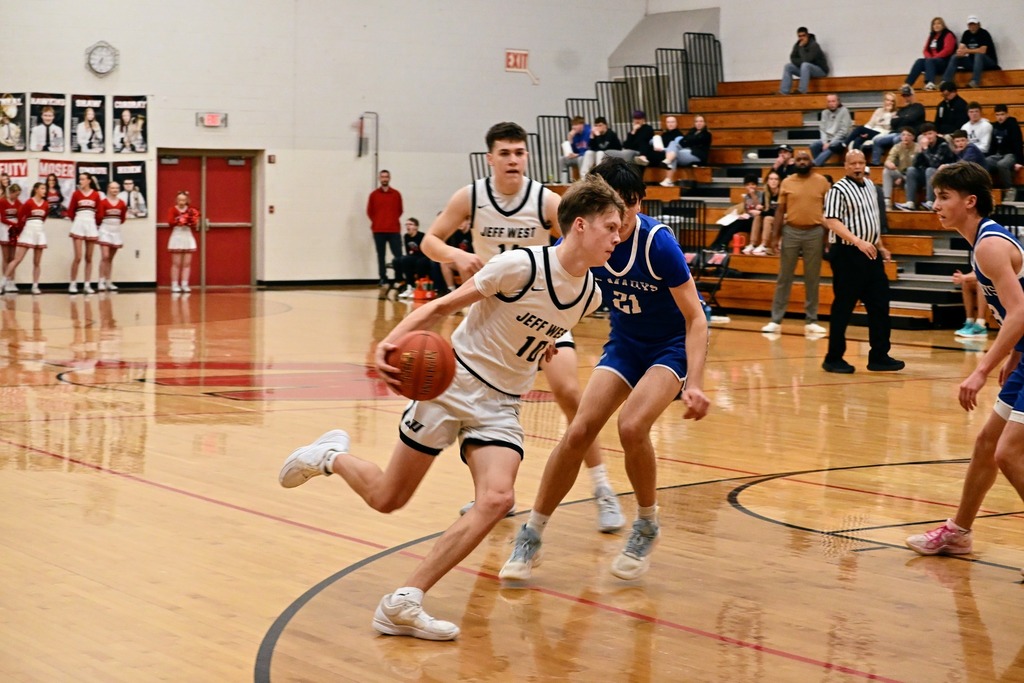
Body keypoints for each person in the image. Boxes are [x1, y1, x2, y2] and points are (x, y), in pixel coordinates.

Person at [277, 175, 624, 641]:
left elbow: (543, 331)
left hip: (501, 403)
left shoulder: (590, 295)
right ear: (580, 226)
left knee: (498, 499)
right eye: (611, 226)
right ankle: (329, 456)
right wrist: (392, 340)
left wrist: (537, 346)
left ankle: (404, 601)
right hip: (451, 383)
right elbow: (442, 306)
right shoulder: (519, 266)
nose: (618, 237)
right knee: (387, 499)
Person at [499, 157, 710, 583]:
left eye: (631, 206)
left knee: (632, 426)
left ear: (639, 202)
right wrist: (550, 334)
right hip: (626, 344)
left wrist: (698, 382)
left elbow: (696, 318)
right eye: (616, 208)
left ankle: (647, 523)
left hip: (671, 346)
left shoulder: (658, 245)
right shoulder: (594, 241)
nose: (624, 218)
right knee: (579, 430)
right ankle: (532, 533)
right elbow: (567, 295)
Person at [419, 122, 624, 529]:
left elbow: (575, 233)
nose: (514, 160)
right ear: (490, 158)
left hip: (545, 308)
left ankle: (602, 487)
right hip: (493, 313)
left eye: (520, 153)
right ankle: (493, 495)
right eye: (506, 153)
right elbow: (430, 241)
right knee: (479, 398)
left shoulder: (544, 200)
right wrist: (457, 257)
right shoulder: (471, 197)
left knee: (568, 390)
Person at [904, 162, 1024, 563]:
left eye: (943, 197)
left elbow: (1020, 311)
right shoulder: (982, 245)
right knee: (986, 444)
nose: (935, 204)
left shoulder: (989, 245)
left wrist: (981, 369)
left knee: (1008, 453)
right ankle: (958, 533)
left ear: (969, 202)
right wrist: (1017, 356)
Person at [820, 150, 905, 374]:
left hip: (870, 252)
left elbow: (871, 221)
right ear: (846, 166)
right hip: (847, 254)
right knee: (844, 306)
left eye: (861, 162)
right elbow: (831, 221)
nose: (858, 166)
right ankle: (833, 357)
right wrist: (857, 241)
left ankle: (879, 355)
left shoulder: (870, 186)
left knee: (880, 304)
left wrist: (880, 245)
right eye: (853, 163)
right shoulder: (838, 190)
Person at [760, 150, 832, 335]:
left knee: (812, 277)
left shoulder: (822, 182)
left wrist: (828, 238)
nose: (801, 162)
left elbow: (830, 211)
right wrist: (775, 238)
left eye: (805, 159)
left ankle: (812, 320)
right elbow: (779, 211)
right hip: (791, 231)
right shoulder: (787, 182)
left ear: (811, 162)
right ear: (795, 163)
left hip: (815, 232)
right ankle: (776, 320)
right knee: (784, 277)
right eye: (798, 159)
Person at [4, 182, 49, 294]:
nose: (44, 191)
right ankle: (3, 282)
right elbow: (21, 217)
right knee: (18, 259)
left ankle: (35, 286)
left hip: (39, 231)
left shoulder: (46, 204)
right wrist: (19, 230)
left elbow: (43, 218)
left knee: (37, 262)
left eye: (45, 189)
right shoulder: (28, 203)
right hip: (29, 230)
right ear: (36, 190)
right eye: (42, 188)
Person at [903, 123, 957, 212]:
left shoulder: (943, 144)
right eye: (925, 134)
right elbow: (915, 164)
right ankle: (910, 203)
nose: (927, 136)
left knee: (930, 170)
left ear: (935, 133)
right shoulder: (924, 145)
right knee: (911, 170)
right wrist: (920, 151)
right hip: (927, 176)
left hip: (943, 175)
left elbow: (934, 163)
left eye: (930, 133)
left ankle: (930, 202)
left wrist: (925, 148)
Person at [366, 169, 403, 293]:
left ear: (389, 178)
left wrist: (391, 220)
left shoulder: (396, 194)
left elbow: (400, 210)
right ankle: (383, 278)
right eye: (382, 177)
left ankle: (399, 278)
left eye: (386, 177)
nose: (384, 179)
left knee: (398, 256)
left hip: (394, 230)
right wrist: (378, 221)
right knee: (380, 256)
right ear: (379, 178)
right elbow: (370, 212)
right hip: (378, 230)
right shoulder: (374, 195)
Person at [871, 85, 926, 166]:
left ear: (912, 95)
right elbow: (893, 123)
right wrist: (904, 118)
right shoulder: (901, 110)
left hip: (910, 133)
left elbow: (911, 119)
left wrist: (900, 119)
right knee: (877, 140)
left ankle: (895, 164)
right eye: (904, 95)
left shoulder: (918, 107)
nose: (906, 97)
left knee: (897, 139)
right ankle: (876, 164)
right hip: (897, 132)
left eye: (908, 95)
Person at [941, 16, 999, 90]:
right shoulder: (966, 34)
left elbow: (982, 50)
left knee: (978, 55)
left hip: (988, 61)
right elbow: (961, 47)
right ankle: (945, 81)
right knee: (955, 57)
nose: (972, 26)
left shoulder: (984, 33)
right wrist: (959, 52)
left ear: (978, 24)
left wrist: (966, 51)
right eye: (970, 24)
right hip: (974, 62)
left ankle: (975, 81)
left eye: (974, 24)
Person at [67, 172, 102, 294]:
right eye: (80, 179)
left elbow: (100, 212)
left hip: (91, 223)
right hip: (79, 223)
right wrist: (77, 221)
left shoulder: (96, 195)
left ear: (89, 181)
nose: (80, 181)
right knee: (78, 256)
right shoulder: (76, 194)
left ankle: (87, 284)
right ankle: (73, 283)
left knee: (89, 257)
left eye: (83, 179)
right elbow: (70, 211)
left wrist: (95, 223)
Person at [904, 17, 958, 91]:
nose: (936, 25)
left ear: (943, 25)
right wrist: (929, 58)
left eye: (939, 23)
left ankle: (930, 83)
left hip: (944, 62)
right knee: (919, 61)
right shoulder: (932, 36)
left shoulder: (948, 34)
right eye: (934, 24)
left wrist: (934, 58)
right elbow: (925, 50)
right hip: (932, 62)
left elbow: (948, 50)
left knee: (930, 61)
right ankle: (908, 84)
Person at [711, 174, 761, 251]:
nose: (750, 187)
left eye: (753, 184)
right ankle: (715, 244)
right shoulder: (746, 197)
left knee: (737, 223)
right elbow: (747, 210)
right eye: (748, 185)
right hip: (748, 220)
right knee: (728, 224)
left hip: (756, 222)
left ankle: (723, 245)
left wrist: (753, 194)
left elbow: (758, 207)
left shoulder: (761, 195)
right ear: (745, 186)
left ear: (756, 185)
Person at [660, 114, 713, 186]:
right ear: (694, 123)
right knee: (672, 143)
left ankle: (669, 177)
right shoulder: (692, 131)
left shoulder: (707, 134)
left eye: (701, 121)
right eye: (697, 121)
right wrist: (687, 141)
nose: (699, 123)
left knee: (674, 154)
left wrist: (687, 140)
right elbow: (682, 142)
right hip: (687, 151)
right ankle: (668, 164)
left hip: (697, 155)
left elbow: (693, 140)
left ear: (704, 123)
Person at [986, 104, 1023, 201]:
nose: (1000, 117)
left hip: (1011, 154)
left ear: (1007, 114)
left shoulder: (1013, 125)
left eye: (1002, 114)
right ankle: (987, 190)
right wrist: (990, 155)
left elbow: (1017, 143)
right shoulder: (995, 127)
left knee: (1002, 164)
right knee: (985, 162)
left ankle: (1009, 189)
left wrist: (1020, 161)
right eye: (997, 115)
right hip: (998, 154)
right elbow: (993, 145)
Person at [96, 181, 128, 292]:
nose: (115, 190)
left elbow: (123, 218)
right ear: (108, 189)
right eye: (113, 188)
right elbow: (99, 217)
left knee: (110, 258)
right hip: (105, 229)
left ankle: (108, 281)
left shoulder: (122, 203)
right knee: (105, 256)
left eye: (117, 188)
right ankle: (101, 281)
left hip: (116, 230)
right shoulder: (103, 202)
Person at [779, 27, 829, 95]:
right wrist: (801, 62)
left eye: (803, 35)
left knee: (805, 65)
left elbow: (807, 60)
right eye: (800, 36)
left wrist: (801, 48)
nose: (802, 38)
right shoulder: (797, 45)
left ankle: (802, 90)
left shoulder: (814, 45)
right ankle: (784, 91)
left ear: (807, 35)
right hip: (805, 70)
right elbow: (792, 58)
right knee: (788, 66)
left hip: (820, 70)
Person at [167, 190, 199, 293]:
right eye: (179, 200)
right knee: (176, 263)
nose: (181, 202)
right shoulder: (172, 210)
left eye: (184, 200)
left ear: (187, 200)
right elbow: (170, 222)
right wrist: (180, 220)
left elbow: (194, 223)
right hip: (177, 236)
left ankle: (185, 284)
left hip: (187, 235)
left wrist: (191, 221)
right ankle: (174, 284)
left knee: (187, 263)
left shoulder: (191, 210)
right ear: (176, 200)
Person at [745, 170, 782, 255]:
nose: (773, 181)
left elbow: (777, 212)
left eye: (776, 179)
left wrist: (761, 212)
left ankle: (764, 244)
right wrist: (760, 209)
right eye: (771, 179)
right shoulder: (766, 193)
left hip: (782, 218)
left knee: (767, 218)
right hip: (772, 216)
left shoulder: (781, 193)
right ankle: (752, 243)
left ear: (779, 181)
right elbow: (766, 209)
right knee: (758, 217)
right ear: (768, 181)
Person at [810, 94, 852, 167]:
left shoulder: (844, 111)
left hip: (841, 139)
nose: (831, 104)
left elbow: (844, 131)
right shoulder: (824, 113)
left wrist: (830, 143)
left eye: (833, 101)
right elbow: (822, 129)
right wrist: (825, 142)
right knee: (814, 145)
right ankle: (820, 165)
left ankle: (815, 163)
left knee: (833, 145)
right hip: (827, 139)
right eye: (829, 102)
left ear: (838, 102)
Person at [884, 128, 921, 210]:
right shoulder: (897, 147)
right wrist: (889, 164)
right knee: (887, 171)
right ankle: (886, 200)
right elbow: (888, 161)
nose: (905, 137)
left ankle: (911, 204)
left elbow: (919, 166)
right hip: (900, 174)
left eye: (908, 135)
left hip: (913, 176)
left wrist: (902, 177)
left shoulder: (918, 148)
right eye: (903, 135)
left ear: (913, 137)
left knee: (910, 175)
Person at [394, 218, 431, 299]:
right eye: (406, 224)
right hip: (413, 256)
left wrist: (411, 256)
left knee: (409, 260)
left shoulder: (422, 236)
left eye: (410, 224)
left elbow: (424, 251)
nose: (408, 226)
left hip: (422, 256)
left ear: (416, 227)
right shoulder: (406, 236)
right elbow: (408, 251)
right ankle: (401, 282)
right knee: (396, 260)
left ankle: (414, 286)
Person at [952, 268, 988, 338]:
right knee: (966, 283)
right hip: (990, 281)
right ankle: (969, 322)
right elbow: (975, 272)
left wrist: (964, 277)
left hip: (1004, 283)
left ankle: (980, 325)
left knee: (981, 283)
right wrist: (962, 277)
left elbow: (986, 274)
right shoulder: (975, 257)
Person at [0, 184, 21, 292]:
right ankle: (5, 281)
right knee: (6, 257)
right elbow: (2, 218)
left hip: (14, 230)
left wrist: (19, 225)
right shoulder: (2, 201)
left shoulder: (18, 203)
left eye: (18, 195)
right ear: (11, 192)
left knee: (13, 258)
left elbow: (21, 215)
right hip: (5, 229)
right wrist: (13, 224)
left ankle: (12, 281)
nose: (17, 197)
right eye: (16, 194)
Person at [561, 116, 591, 182]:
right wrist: (570, 139)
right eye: (573, 125)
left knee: (581, 158)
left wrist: (578, 154)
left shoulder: (589, 132)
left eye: (576, 125)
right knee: (562, 159)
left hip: (586, 157)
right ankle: (563, 182)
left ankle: (583, 182)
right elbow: (573, 151)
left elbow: (591, 149)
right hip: (577, 156)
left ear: (581, 125)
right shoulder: (575, 135)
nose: (573, 127)